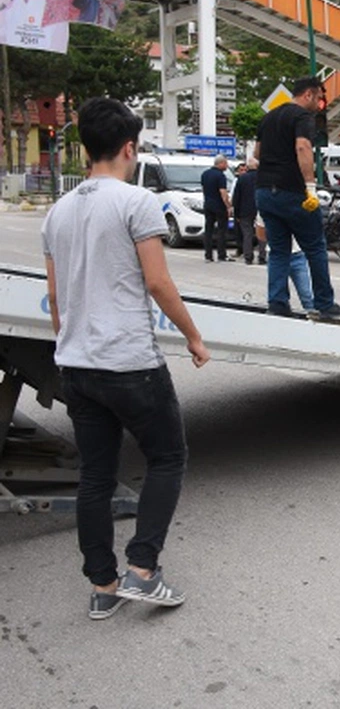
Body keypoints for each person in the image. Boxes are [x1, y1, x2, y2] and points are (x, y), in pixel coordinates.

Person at [41, 97, 211, 619]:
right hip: (129, 361)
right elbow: (158, 282)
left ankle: (103, 584)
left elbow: (56, 301)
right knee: (168, 457)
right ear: (128, 147)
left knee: (96, 475)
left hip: (77, 363)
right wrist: (193, 337)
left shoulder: (58, 210)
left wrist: (71, 347)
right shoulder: (137, 201)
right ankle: (143, 570)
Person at [254, 75, 340, 319]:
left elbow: (256, 154)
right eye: (318, 98)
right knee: (316, 247)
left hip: (264, 191)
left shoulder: (268, 117)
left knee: (278, 250)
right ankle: (325, 303)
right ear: (308, 94)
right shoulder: (302, 117)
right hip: (292, 191)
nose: (319, 105)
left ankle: (277, 303)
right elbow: (303, 147)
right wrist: (310, 186)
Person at [232, 158, 264, 265]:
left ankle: (248, 256)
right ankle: (262, 256)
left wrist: (236, 213)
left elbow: (236, 197)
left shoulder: (242, 179)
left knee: (247, 234)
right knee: (262, 233)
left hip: (245, 210)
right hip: (261, 209)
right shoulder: (262, 178)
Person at [200, 155, 232, 262]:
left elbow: (204, 189)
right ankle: (221, 254)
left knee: (208, 230)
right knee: (221, 231)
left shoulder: (205, 174)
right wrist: (228, 206)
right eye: (226, 163)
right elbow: (223, 192)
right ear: (221, 163)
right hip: (219, 206)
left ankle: (208, 255)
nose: (227, 166)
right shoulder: (220, 176)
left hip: (208, 204)